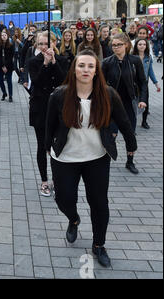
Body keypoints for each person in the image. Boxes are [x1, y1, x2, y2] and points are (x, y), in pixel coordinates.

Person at [45, 49, 137, 268]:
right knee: (64, 199)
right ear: (74, 69)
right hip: (65, 157)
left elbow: (124, 122)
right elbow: (48, 127)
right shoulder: (59, 94)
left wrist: (131, 145)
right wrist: (48, 149)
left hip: (97, 157)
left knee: (99, 202)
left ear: (96, 70)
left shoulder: (108, 94)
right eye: (81, 65)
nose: (85, 70)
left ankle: (99, 244)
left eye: (90, 66)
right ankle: (74, 219)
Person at [27, 31, 67, 196]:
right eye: (41, 44)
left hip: (58, 109)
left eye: (47, 44)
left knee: (59, 145)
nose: (44, 47)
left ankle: (58, 180)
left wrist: (54, 62)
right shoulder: (33, 61)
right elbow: (37, 81)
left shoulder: (63, 60)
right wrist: (44, 63)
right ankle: (44, 181)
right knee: (43, 145)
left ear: (54, 44)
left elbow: (64, 80)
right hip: (40, 108)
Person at [102, 33, 147, 174]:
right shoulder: (107, 62)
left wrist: (143, 100)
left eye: (118, 45)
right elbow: (101, 85)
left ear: (126, 45)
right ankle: (105, 160)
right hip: (112, 104)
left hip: (129, 103)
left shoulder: (134, 61)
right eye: (113, 45)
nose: (115, 48)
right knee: (111, 133)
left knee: (130, 134)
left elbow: (142, 82)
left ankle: (130, 161)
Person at [132, 38, 161, 130]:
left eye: (144, 44)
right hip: (133, 83)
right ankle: (132, 124)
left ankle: (144, 121)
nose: (142, 46)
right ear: (136, 46)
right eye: (140, 44)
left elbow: (150, 71)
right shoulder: (132, 57)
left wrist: (156, 83)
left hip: (144, 83)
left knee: (145, 102)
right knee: (133, 103)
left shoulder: (148, 57)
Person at [0, 31, 15, 102]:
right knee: (0, 81)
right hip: (0, 66)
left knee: (9, 81)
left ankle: (10, 95)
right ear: (0, 37)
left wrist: (6, 66)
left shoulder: (11, 45)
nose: (3, 36)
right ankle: (4, 93)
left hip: (9, 66)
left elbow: (11, 57)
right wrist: (2, 66)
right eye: (2, 35)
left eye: (5, 35)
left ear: (7, 36)